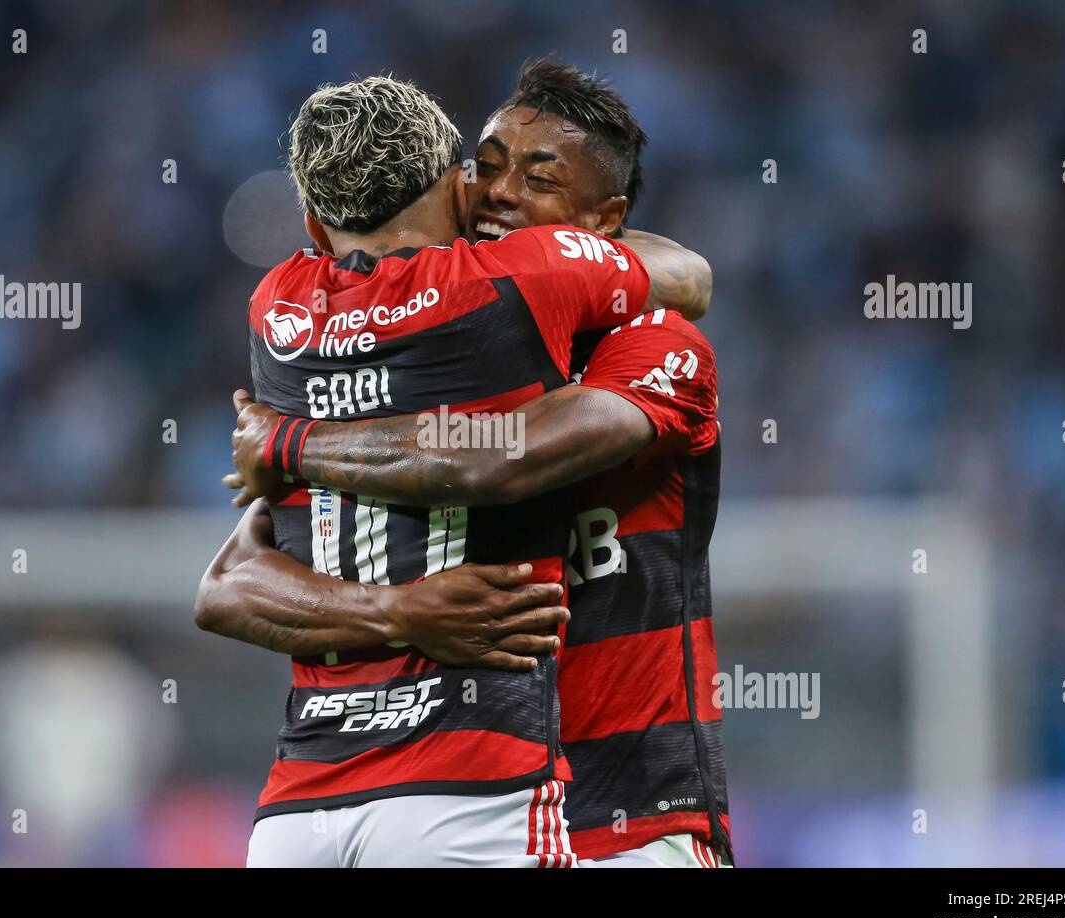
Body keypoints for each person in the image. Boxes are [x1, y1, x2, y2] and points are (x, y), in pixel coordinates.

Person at [198, 68, 711, 867]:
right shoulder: (431, 343)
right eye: (486, 163)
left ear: (601, 223)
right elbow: (231, 584)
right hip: (470, 783)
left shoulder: (653, 343)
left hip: (625, 819)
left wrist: (292, 443)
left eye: (538, 179)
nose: (498, 194)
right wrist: (397, 610)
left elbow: (505, 453)